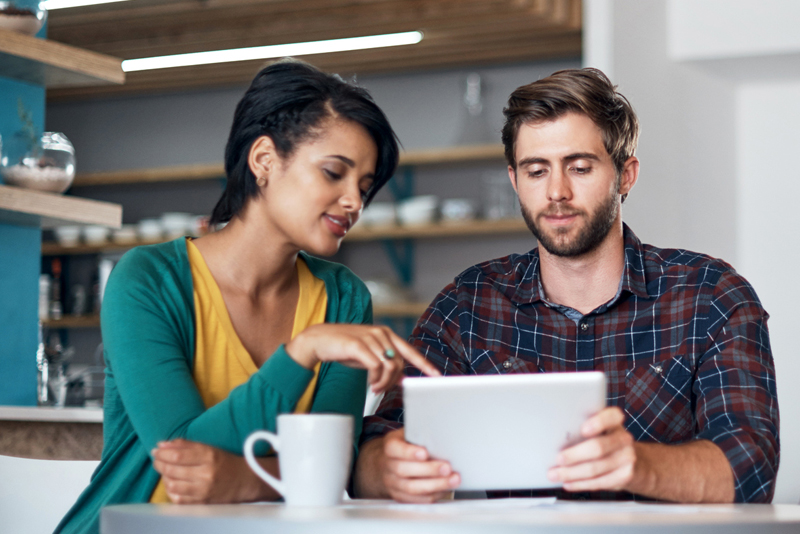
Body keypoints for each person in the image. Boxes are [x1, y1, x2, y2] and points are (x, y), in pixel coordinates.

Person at [354, 68, 779, 504]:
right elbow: (373, 449)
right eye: (536, 171)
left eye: (579, 167)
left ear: (626, 175)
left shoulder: (712, 296)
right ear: (515, 181)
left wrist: (638, 465)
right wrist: (386, 468)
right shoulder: (468, 303)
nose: (557, 191)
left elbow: (751, 468)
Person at [57, 59, 438, 534]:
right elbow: (184, 456)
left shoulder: (343, 297)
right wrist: (301, 352)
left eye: (363, 187)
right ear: (264, 160)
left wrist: (240, 480)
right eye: (333, 173)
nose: (354, 203)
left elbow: (331, 465)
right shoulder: (149, 279)